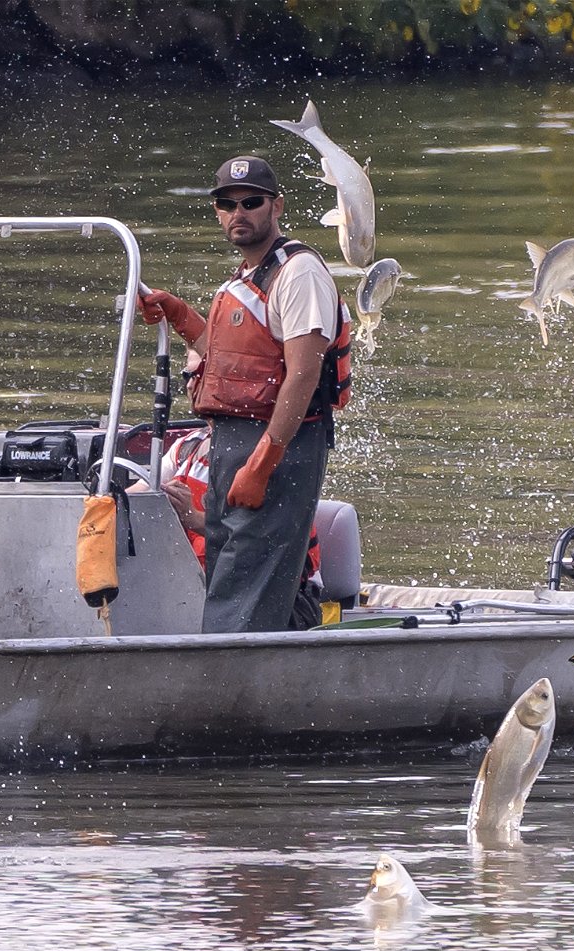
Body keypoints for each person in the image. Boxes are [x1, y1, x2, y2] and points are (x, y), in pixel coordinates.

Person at [137, 154, 349, 633]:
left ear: (276, 207)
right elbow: (228, 358)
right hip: (233, 443)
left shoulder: (298, 273)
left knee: (246, 586)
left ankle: (228, 688)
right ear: (216, 211)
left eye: (251, 202)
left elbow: (302, 376)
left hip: (279, 446)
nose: (239, 212)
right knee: (228, 570)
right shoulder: (243, 278)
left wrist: (263, 463)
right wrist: (177, 313)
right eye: (227, 204)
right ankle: (223, 678)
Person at [128, 351, 323, 630]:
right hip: (199, 593)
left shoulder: (270, 452)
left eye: (201, 375)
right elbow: (137, 493)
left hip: (274, 604)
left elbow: (267, 542)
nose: (192, 384)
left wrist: (192, 517)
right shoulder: (187, 447)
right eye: (188, 375)